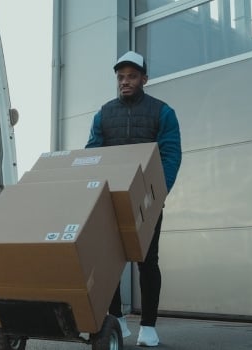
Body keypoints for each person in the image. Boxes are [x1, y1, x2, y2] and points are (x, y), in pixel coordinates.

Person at [85, 51, 182, 347]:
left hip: (147, 202)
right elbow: (93, 152)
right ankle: (118, 320)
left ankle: (149, 327)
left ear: (144, 79)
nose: (125, 82)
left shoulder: (162, 112)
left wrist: (158, 193)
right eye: (121, 77)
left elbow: (170, 154)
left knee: (147, 262)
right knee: (109, 262)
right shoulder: (103, 113)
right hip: (110, 200)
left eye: (131, 76)